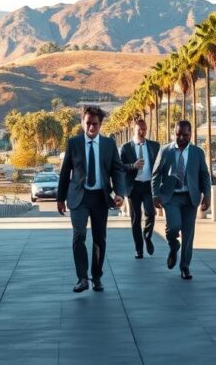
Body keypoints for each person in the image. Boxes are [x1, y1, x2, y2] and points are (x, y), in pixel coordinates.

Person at [57, 106, 126, 293]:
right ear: (82, 123)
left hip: (100, 197)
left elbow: (117, 170)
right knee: (79, 235)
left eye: (95, 124)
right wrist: (60, 198)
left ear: (100, 125)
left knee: (99, 239)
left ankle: (96, 277)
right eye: (88, 123)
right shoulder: (74, 143)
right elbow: (65, 172)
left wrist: (120, 193)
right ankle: (82, 278)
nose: (91, 128)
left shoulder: (109, 144)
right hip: (79, 197)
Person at [151, 120, 211, 280]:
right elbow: (156, 174)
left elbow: (204, 175)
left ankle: (185, 267)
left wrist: (207, 196)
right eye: (179, 134)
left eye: (185, 135)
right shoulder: (166, 150)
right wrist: (155, 194)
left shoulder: (198, 152)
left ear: (191, 134)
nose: (182, 138)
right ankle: (173, 245)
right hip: (171, 196)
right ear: (174, 133)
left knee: (188, 234)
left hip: (191, 198)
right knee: (173, 227)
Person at [120, 118, 160, 259]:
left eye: (144, 129)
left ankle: (147, 236)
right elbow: (120, 167)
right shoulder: (126, 148)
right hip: (134, 186)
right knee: (136, 219)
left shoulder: (155, 146)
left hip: (149, 186)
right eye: (139, 130)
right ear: (134, 130)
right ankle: (138, 249)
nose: (142, 132)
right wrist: (133, 166)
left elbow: (159, 166)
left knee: (151, 213)